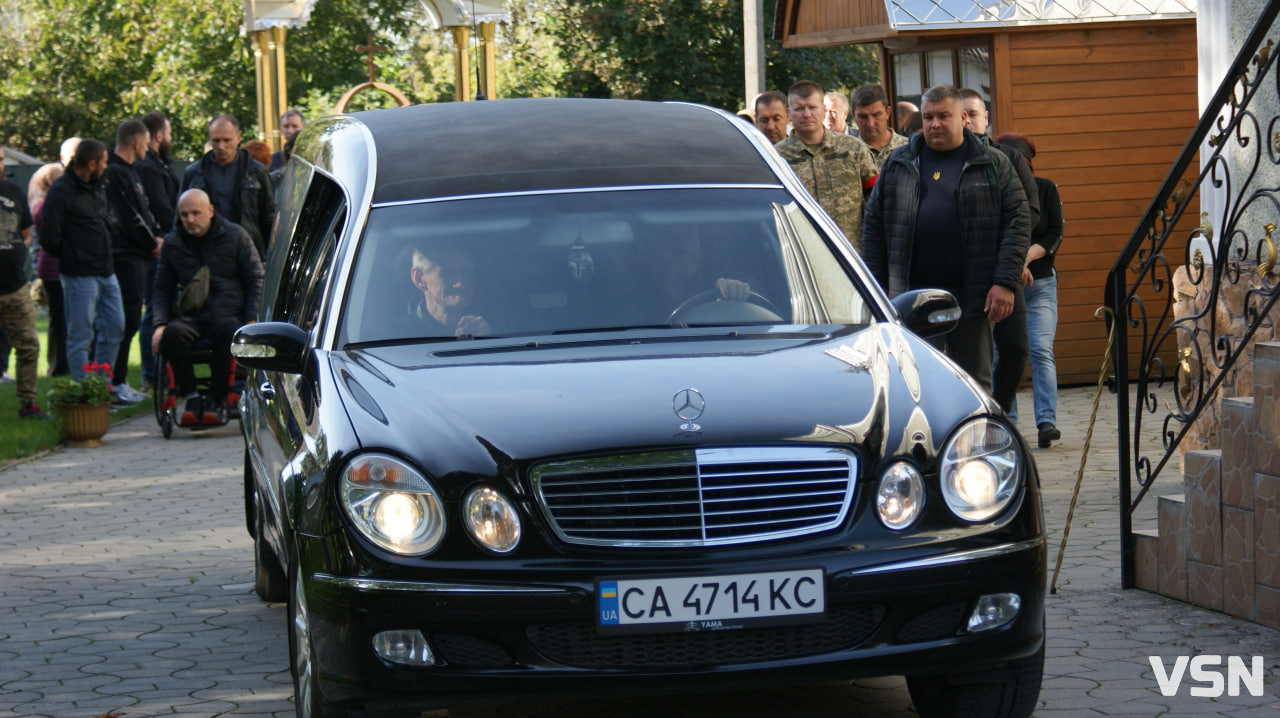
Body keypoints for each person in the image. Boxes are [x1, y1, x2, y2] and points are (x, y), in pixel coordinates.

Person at [862, 84, 1030, 395]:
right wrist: (878, 287)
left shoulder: (993, 163)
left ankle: (977, 441)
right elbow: (873, 227)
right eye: (927, 117)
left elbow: (1018, 223)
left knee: (974, 385)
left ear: (963, 117)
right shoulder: (899, 163)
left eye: (943, 116)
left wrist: (1004, 281)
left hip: (973, 296)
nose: (934, 124)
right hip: (912, 298)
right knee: (915, 383)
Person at [957, 89, 1039, 414]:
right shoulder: (946, 163)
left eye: (973, 115)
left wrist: (1012, 256)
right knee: (968, 355)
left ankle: (999, 413)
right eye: (961, 116)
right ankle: (971, 417)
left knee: (1016, 349)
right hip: (964, 275)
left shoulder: (1009, 158)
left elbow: (1029, 212)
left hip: (1005, 269)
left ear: (986, 118)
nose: (968, 122)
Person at [152, 189, 263, 426]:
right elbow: (162, 288)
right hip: (191, 316)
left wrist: (251, 318)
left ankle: (217, 396)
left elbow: (255, 278)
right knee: (173, 333)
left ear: (210, 211)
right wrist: (159, 324)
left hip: (227, 314)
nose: (190, 219)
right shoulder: (173, 243)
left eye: (195, 213)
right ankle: (192, 396)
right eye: (184, 215)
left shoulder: (235, 236)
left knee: (230, 331)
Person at [38, 139, 130, 392]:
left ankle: (102, 385)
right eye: (103, 162)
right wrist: (74, 257)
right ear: (91, 164)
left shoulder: (96, 186)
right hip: (79, 274)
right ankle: (84, 392)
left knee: (115, 327)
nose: (106, 167)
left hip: (106, 270)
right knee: (80, 335)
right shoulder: (61, 190)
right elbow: (48, 237)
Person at [996, 132, 1065, 448]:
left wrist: (1023, 257)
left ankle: (1046, 422)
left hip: (1039, 285)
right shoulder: (995, 191)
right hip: (1004, 286)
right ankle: (1007, 422)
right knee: (1004, 353)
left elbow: (1054, 233)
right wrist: (1012, 267)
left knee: (1039, 350)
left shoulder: (1045, 189)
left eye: (1019, 163)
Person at [774, 80, 879, 253]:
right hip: (802, 255)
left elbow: (875, 201)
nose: (807, 114)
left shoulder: (853, 149)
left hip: (852, 255)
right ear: (789, 114)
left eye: (812, 107)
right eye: (799, 109)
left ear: (823, 111)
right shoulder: (777, 157)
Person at [104, 119, 161, 404]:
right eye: (147, 142)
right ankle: (114, 380)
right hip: (125, 257)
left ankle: (119, 379)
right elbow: (127, 217)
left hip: (138, 257)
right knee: (124, 320)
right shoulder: (114, 172)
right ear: (137, 142)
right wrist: (151, 243)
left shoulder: (130, 172)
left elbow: (143, 213)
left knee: (131, 319)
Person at [180, 114, 276, 259]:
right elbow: (180, 217)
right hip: (206, 251)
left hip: (248, 250)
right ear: (209, 139)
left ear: (238, 138)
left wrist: (271, 256)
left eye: (227, 140)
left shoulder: (256, 172)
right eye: (216, 141)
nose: (221, 146)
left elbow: (268, 216)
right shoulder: (194, 173)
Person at [0, 147, 48, 419]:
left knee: (29, 346)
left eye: (1, 159)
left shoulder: (15, 193)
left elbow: (27, 234)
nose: (0, 164)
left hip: (15, 287)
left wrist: (14, 248)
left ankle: (28, 404)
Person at [137, 111, 180, 391]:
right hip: (158, 247)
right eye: (169, 132)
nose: (170, 138)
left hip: (165, 243)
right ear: (159, 136)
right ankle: (151, 375)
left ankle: (161, 372)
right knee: (155, 311)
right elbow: (161, 207)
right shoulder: (149, 168)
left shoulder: (157, 165)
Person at [29, 162, 68, 376]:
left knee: (59, 318)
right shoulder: (45, 205)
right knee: (59, 319)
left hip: (50, 267)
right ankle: (58, 365)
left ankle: (60, 364)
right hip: (53, 268)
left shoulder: (42, 203)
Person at [851, 84, 908, 170]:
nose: (870, 123)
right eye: (863, 116)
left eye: (876, 115)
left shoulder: (909, 149)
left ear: (887, 113)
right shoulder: (846, 153)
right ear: (853, 116)